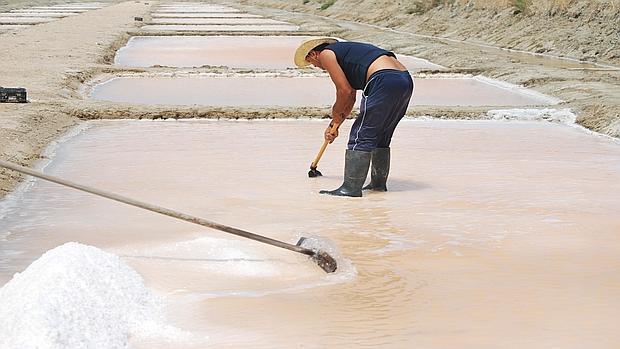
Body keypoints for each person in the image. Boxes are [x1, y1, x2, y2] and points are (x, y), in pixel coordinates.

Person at [294, 37, 414, 197]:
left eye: (313, 64)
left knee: (361, 135)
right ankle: (378, 185)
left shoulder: (326, 54)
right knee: (381, 135)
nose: (318, 67)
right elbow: (350, 99)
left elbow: (345, 92)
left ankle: (350, 188)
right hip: (403, 80)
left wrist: (335, 118)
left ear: (313, 54)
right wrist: (335, 124)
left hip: (382, 79)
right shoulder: (347, 53)